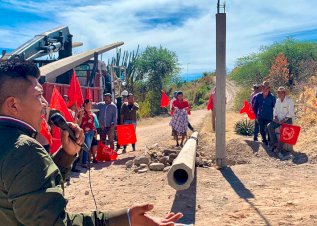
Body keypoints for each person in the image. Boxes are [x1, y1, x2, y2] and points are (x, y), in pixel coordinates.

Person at [0, 60, 183, 225]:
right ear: (13, 105)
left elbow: (33, 190)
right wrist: (126, 218)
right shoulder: (24, 150)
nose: (45, 103)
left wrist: (66, 155)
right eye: (39, 95)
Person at [267, 86, 295, 157]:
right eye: (279, 92)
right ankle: (275, 144)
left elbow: (291, 113)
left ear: (284, 93)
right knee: (269, 126)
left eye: (282, 92)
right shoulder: (277, 100)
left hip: (287, 119)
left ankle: (278, 149)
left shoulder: (289, 101)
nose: (280, 94)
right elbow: (275, 111)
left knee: (285, 130)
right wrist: (275, 118)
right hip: (278, 119)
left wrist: (283, 121)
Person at [253, 81, 276, 146]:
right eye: (264, 87)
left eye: (267, 88)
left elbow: (275, 107)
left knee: (269, 130)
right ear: (262, 88)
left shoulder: (272, 97)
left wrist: (275, 116)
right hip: (260, 116)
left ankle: (269, 142)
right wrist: (255, 116)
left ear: (269, 89)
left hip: (269, 116)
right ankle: (264, 140)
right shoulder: (258, 96)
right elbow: (255, 106)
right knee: (261, 130)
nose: (265, 89)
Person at [78, 99, 95, 167]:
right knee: (86, 146)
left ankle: (86, 161)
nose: (90, 105)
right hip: (85, 132)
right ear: (85, 104)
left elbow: (92, 123)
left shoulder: (90, 113)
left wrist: (95, 131)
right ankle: (84, 162)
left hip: (91, 131)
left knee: (88, 146)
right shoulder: (82, 112)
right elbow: (80, 122)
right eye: (89, 104)